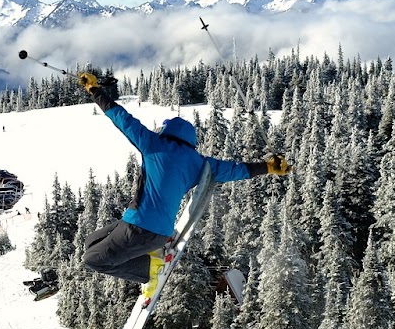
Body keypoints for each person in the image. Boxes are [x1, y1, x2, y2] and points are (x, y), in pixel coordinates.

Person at [76, 71, 292, 297]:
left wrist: (95, 90)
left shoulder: (153, 144)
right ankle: (152, 256)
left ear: (167, 131)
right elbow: (234, 169)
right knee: (92, 242)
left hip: (139, 229)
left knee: (92, 260)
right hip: (154, 231)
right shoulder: (199, 163)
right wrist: (267, 167)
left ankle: (150, 271)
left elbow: (121, 118)